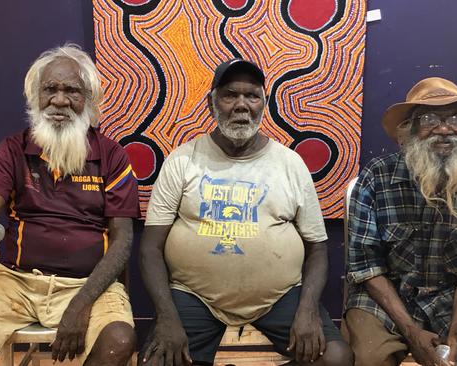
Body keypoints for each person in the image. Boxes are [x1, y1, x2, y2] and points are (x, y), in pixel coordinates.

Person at [0, 44, 140, 366]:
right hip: (17, 282)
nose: (59, 100)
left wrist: (81, 303)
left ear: (90, 101)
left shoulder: (111, 155)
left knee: (119, 342)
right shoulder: (13, 149)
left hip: (89, 285)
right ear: (34, 96)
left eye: (72, 90)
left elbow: (122, 239)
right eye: (50, 89)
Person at [138, 58, 353, 366]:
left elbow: (317, 248)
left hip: (279, 296)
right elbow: (150, 248)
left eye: (251, 95)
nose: (241, 105)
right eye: (229, 95)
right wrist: (166, 317)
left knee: (336, 358)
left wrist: (307, 309)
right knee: (156, 363)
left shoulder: (290, 163)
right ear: (211, 102)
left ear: (263, 103)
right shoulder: (183, 160)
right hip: (195, 296)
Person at [345, 77, 457, 366]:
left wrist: (456, 334)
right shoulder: (376, 177)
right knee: (369, 355)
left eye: (455, 118)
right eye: (428, 118)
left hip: (455, 296)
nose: (443, 129)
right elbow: (367, 268)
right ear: (409, 130)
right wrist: (412, 332)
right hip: (389, 297)